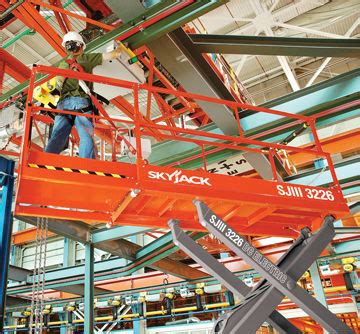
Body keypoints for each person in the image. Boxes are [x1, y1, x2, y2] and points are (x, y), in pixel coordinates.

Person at [45, 31, 123, 159]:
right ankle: (87, 164)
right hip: (80, 102)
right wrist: (120, 47)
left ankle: (46, 160)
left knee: (57, 135)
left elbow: (57, 84)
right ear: (81, 46)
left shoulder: (63, 64)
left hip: (62, 105)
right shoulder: (86, 59)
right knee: (86, 134)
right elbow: (112, 55)